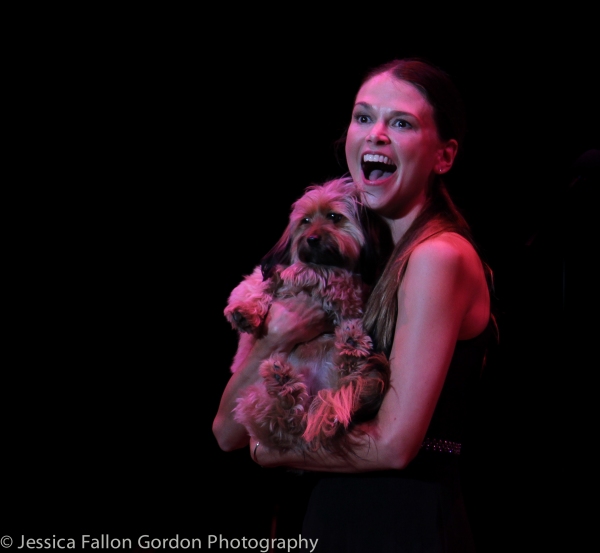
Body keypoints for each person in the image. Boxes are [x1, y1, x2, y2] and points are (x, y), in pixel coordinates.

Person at [213, 57, 497, 552]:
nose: (376, 135)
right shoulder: (354, 263)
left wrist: (272, 451)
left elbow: (392, 445)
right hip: (336, 517)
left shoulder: (437, 256)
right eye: (364, 116)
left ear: (444, 156)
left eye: (402, 123)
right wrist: (276, 339)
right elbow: (225, 432)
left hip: (402, 525)